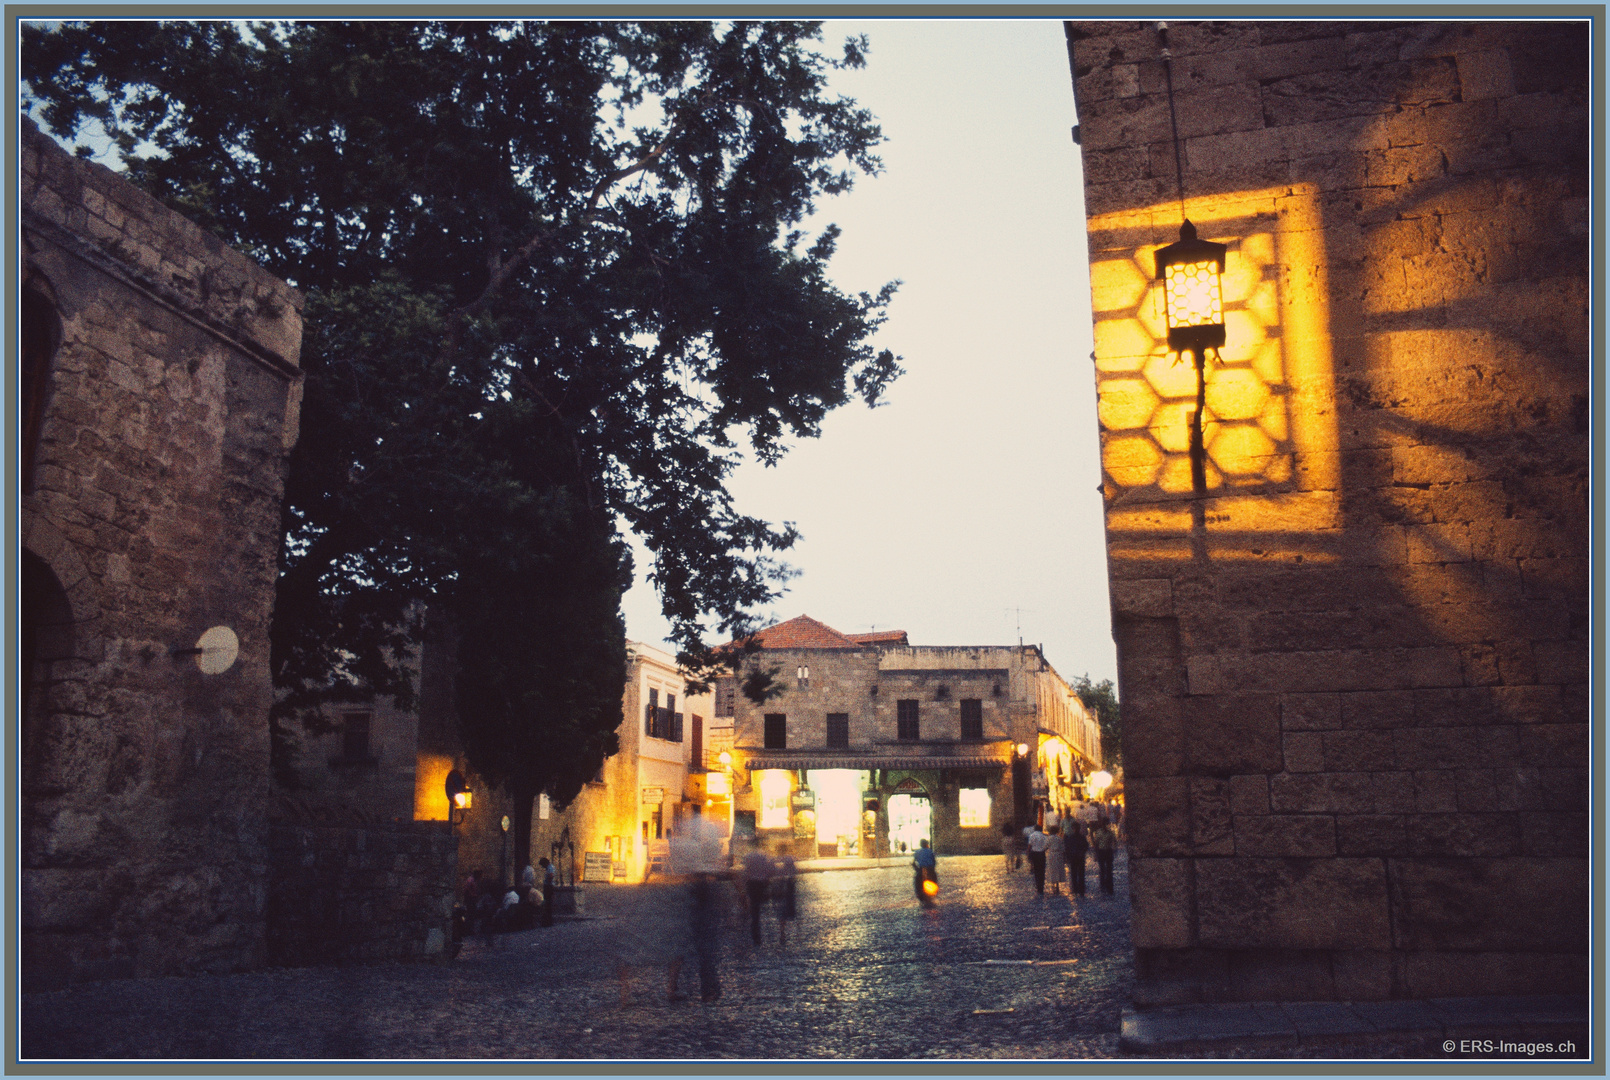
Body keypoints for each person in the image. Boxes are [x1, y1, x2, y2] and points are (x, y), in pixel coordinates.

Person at [742, 848, 774, 945]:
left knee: (754, 905)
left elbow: (745, 870)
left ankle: (755, 922)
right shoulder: (763, 856)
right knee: (761, 904)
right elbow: (768, 870)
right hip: (761, 883)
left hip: (752, 883)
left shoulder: (747, 856)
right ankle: (761, 925)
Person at [1091, 813, 1118, 895]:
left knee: (1109, 870)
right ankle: (1103, 885)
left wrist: (1114, 849)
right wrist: (1096, 853)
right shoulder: (1099, 832)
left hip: (1108, 851)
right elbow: (1096, 844)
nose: (1106, 825)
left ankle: (1109, 886)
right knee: (1102, 869)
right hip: (1101, 851)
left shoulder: (1110, 832)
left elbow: (1115, 842)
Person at [773, 852, 797, 946]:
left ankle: (782, 931)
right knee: (785, 913)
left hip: (784, 896)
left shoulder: (782, 872)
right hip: (787, 896)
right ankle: (783, 930)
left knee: (783, 914)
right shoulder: (791, 872)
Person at [1065, 819, 1090, 896]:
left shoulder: (1071, 838)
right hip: (1078, 857)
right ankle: (1079, 889)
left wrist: (1068, 857)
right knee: (1078, 873)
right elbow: (1086, 846)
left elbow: (1067, 848)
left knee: (1075, 873)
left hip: (1075, 857)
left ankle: (1077, 889)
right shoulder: (1081, 837)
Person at [912, 838, 938, 908]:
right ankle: (932, 893)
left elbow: (913, 862)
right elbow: (934, 861)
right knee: (934, 879)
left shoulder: (917, 852)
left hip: (921, 869)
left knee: (917, 883)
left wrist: (917, 869)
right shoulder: (930, 851)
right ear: (926, 844)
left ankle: (921, 896)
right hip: (930, 869)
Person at [1026, 825, 1050, 894]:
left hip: (1035, 854)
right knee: (1042, 870)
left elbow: (1029, 846)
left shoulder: (1032, 835)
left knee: (1036, 870)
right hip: (1041, 854)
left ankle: (1037, 886)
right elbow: (1047, 846)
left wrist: (1028, 854)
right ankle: (1041, 886)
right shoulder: (1044, 836)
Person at [1044, 825, 1067, 896]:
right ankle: (1057, 885)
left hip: (1051, 855)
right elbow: (1063, 849)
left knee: (1052, 869)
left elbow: (1045, 847)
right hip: (1058, 855)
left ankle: (1053, 884)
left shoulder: (1048, 839)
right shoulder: (1059, 838)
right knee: (1058, 869)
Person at [539, 857, 557, 927]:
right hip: (549, 886)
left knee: (548, 904)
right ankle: (548, 921)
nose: (542, 867)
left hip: (549, 887)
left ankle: (548, 921)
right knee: (548, 904)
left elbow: (551, 875)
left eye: (542, 865)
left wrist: (548, 883)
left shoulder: (550, 868)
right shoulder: (550, 867)